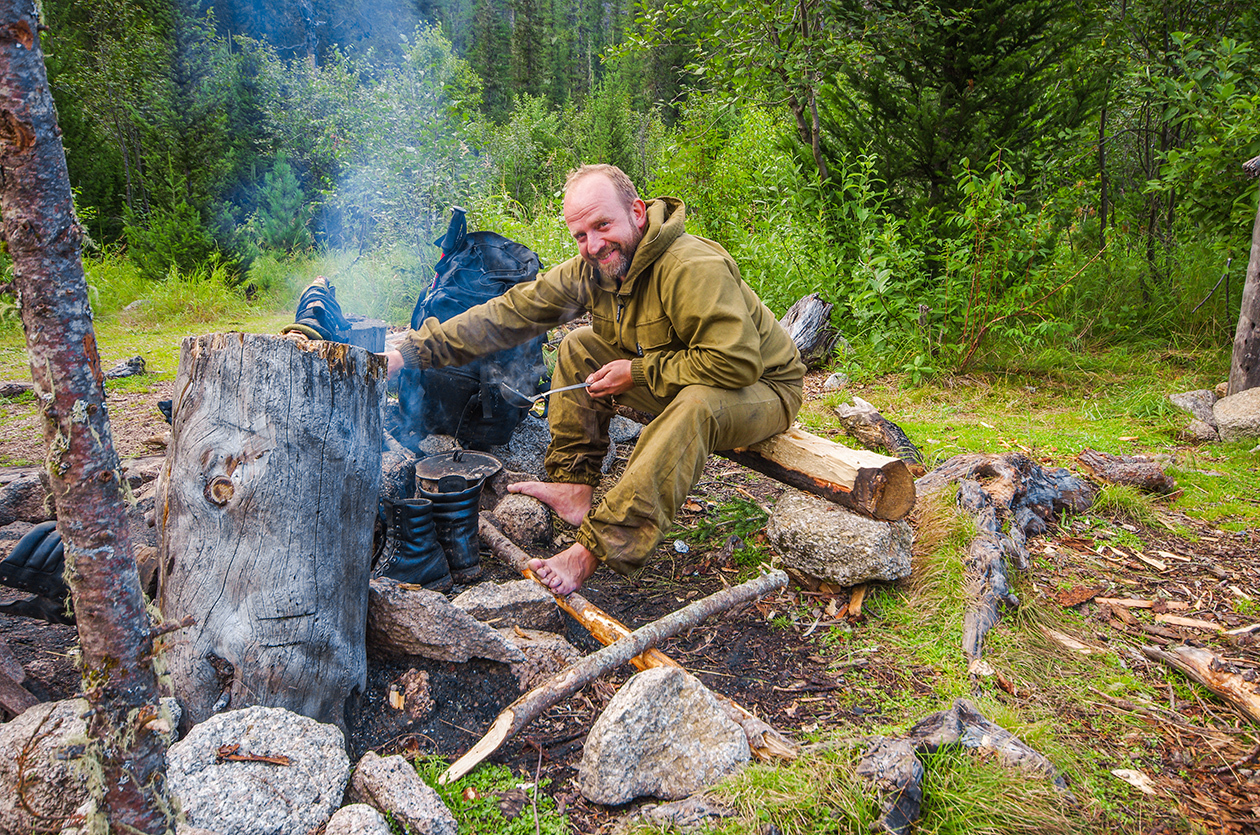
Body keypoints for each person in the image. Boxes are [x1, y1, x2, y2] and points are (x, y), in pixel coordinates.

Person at [383, 164, 805, 594]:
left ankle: (593, 551)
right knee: (580, 346)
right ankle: (574, 483)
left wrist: (635, 372)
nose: (594, 245)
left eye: (603, 225)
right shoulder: (595, 268)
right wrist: (410, 353)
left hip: (762, 386)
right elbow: (508, 314)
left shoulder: (690, 266)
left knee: (696, 406)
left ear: (637, 213)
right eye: (581, 235)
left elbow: (734, 363)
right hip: (685, 371)